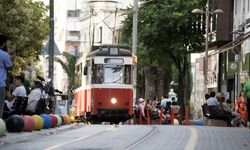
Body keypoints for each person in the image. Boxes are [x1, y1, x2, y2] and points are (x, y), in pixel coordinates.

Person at [0, 35, 12, 118]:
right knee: (0, 105)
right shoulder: (4, 54)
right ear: (3, 43)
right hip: (0, 83)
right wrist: (12, 58)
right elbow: (9, 66)